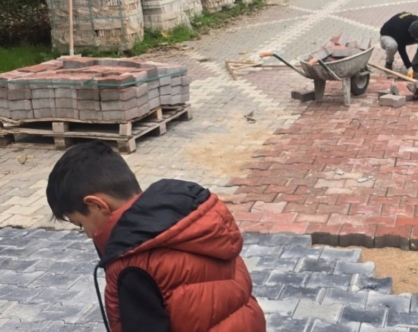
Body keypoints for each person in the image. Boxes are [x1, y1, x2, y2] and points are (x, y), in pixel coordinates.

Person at [46, 141, 265, 332]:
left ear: (97, 205)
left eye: (80, 224)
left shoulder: (133, 266)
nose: (86, 234)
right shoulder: (194, 220)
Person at [379, 12, 418, 79]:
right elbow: (401, 49)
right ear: (410, 31)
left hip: (406, 35)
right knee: (393, 45)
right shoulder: (401, 28)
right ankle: (389, 63)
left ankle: (416, 64)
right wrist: (408, 67)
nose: (416, 39)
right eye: (415, 37)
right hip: (387, 36)